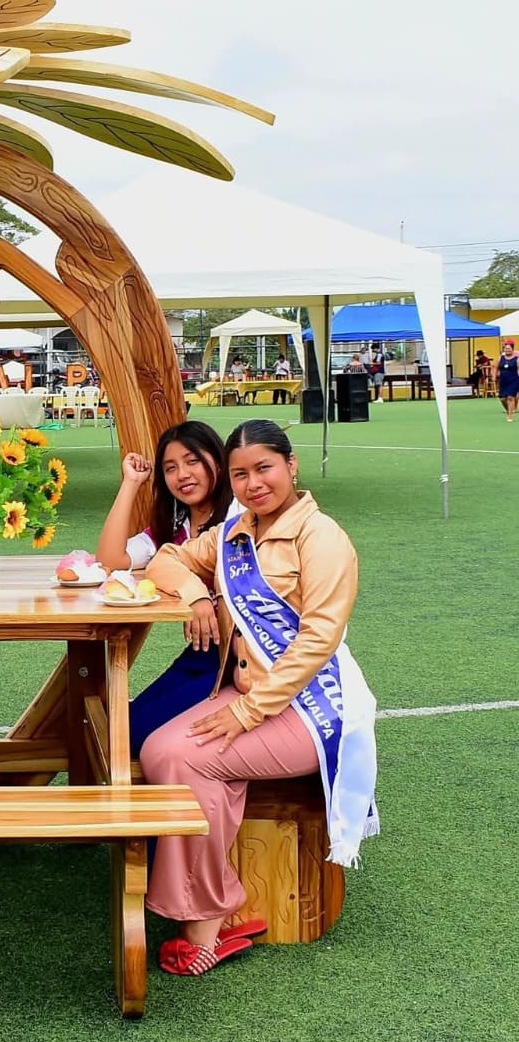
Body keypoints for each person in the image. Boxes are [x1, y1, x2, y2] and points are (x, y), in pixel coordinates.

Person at [140, 418, 379, 977]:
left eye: (264, 468)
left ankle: (205, 922)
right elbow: (166, 559)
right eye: (241, 474)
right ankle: (220, 899)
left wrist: (246, 713)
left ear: (291, 466)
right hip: (249, 697)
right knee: (156, 749)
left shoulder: (322, 537)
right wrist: (197, 593)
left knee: (189, 758)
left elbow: (318, 639)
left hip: (310, 709)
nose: (253, 484)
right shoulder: (233, 532)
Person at [96, 421, 232, 756]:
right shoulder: (174, 529)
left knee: (133, 736)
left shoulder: (239, 515)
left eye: (192, 461)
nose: (182, 475)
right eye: (170, 468)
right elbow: (110, 560)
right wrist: (131, 483)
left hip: (239, 657)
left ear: (217, 461)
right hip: (203, 653)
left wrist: (200, 596)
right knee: (121, 726)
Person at [497, 339, 519, 421]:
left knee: (510, 397)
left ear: (512, 349)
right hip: (503, 381)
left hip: (514, 380)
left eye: (509, 348)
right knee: (502, 399)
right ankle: (508, 410)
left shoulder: (517, 359)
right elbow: (495, 367)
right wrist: (494, 376)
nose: (507, 350)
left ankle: (510, 415)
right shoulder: (501, 358)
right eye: (505, 348)